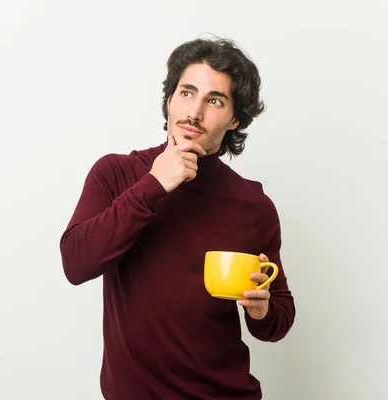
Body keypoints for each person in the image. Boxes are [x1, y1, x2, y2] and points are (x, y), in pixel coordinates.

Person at [59, 37, 296, 400]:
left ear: (235, 118)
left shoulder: (253, 204)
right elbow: (77, 263)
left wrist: (262, 310)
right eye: (186, 93)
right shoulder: (116, 173)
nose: (194, 112)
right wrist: (154, 184)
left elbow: (278, 318)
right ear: (169, 100)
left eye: (214, 100)